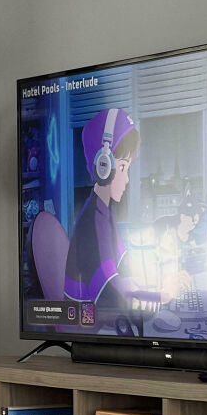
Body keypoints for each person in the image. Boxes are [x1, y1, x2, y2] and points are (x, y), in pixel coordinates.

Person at [64, 108, 157, 329]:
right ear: (102, 166)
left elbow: (122, 261)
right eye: (123, 168)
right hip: (87, 325)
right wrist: (161, 295)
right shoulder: (93, 219)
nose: (126, 179)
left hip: (99, 320)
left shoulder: (103, 211)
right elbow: (111, 288)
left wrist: (146, 283)